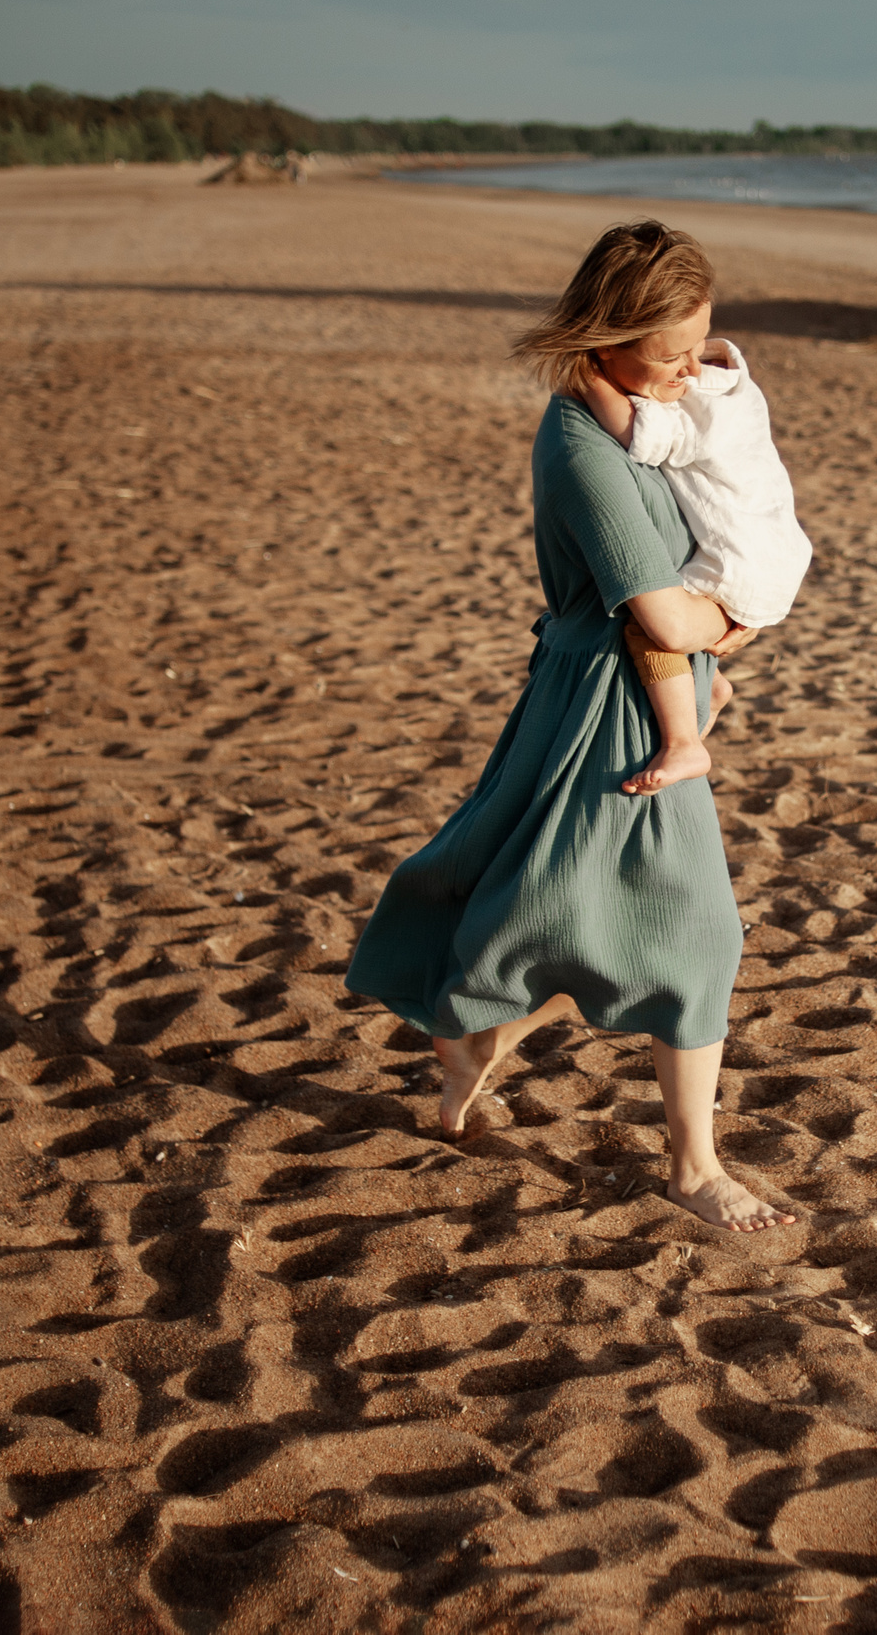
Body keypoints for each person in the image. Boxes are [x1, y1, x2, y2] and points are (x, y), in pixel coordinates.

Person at [343, 220, 794, 1234]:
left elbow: (711, 567)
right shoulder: (582, 435)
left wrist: (727, 634)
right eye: (669, 350)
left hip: (653, 686)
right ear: (605, 334)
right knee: (688, 928)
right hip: (608, 699)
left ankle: (473, 1033)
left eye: (700, 345)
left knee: (566, 897)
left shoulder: (654, 411)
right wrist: (748, 617)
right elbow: (666, 614)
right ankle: (691, 1166)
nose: (691, 371)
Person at [571, 335, 811, 796]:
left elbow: (640, 436)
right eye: (672, 357)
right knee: (691, 619)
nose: (690, 370)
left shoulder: (693, 410)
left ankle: (683, 742)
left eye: (687, 353)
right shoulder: (736, 385)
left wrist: (587, 378)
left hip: (741, 564)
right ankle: (713, 686)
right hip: (777, 550)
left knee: (652, 632)